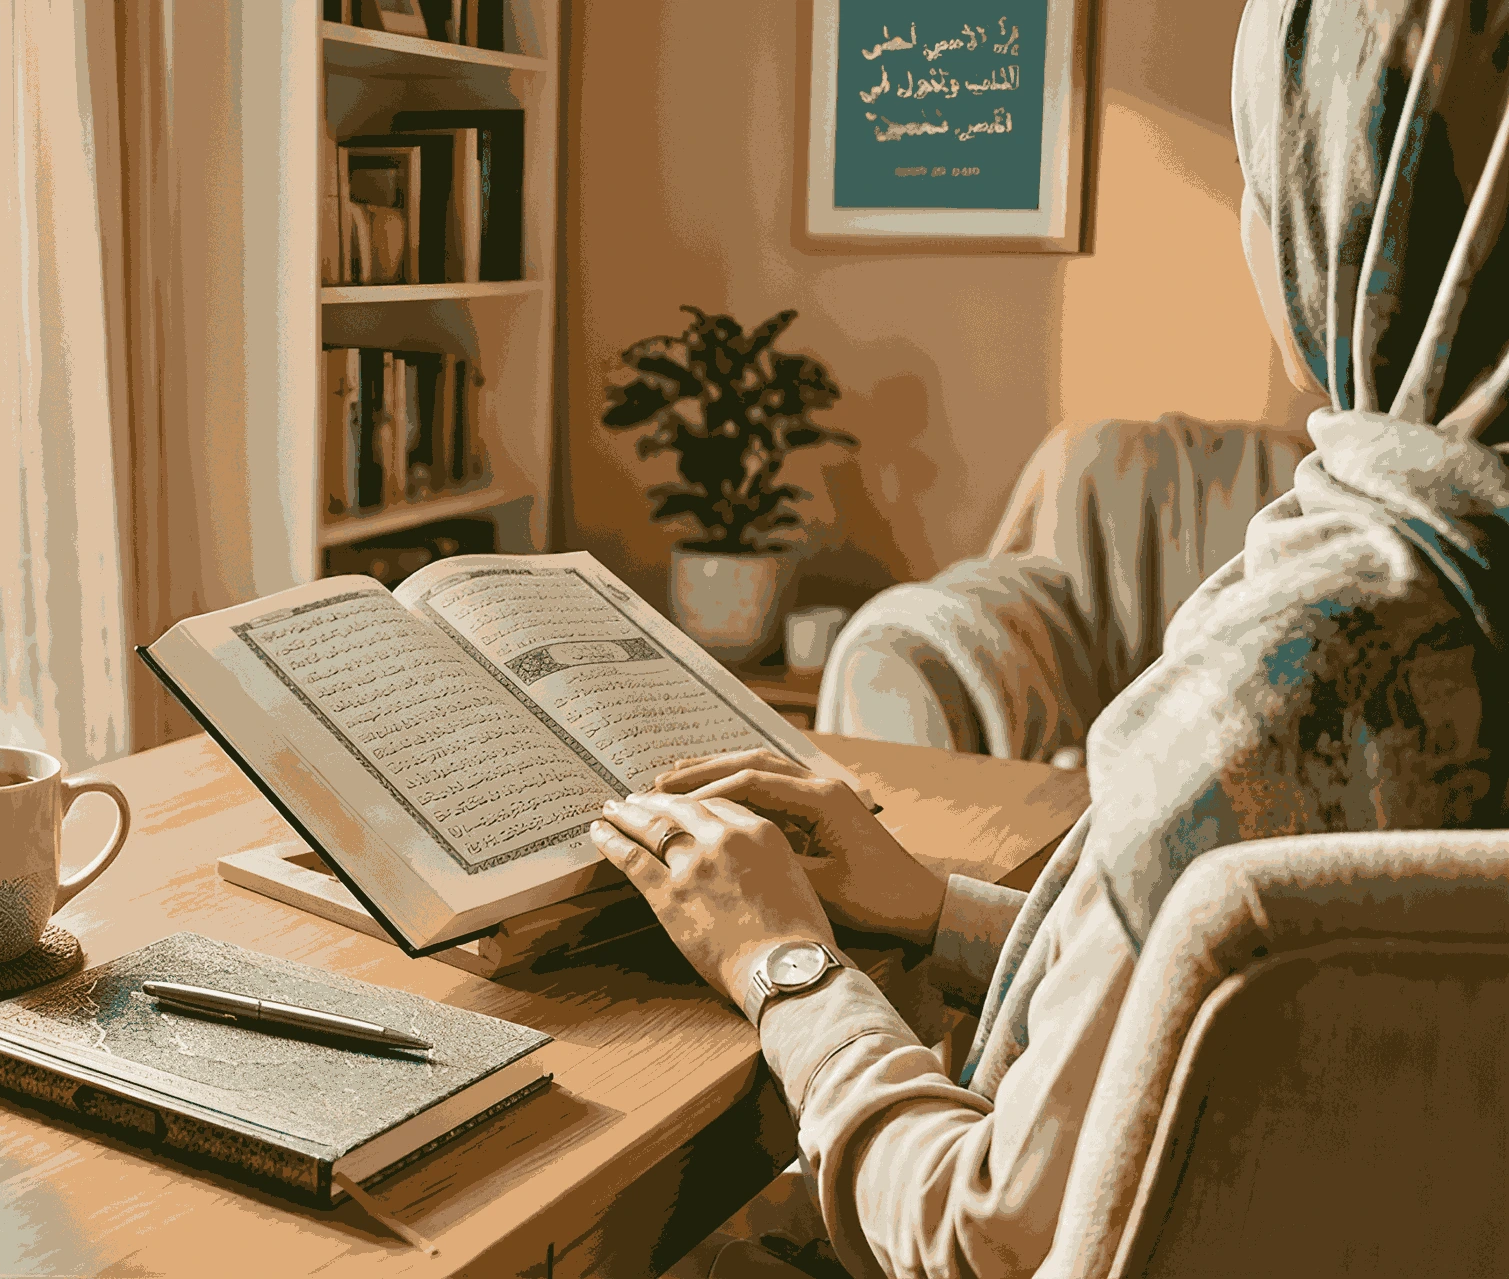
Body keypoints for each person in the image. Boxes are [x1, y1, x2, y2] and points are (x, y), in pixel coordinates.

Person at [614, 3, 1509, 1276]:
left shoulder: (1302, 685)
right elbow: (1297, 983)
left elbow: (987, 1231)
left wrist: (782, 959)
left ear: (1349, 220)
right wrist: (933, 907)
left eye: (1269, 170)